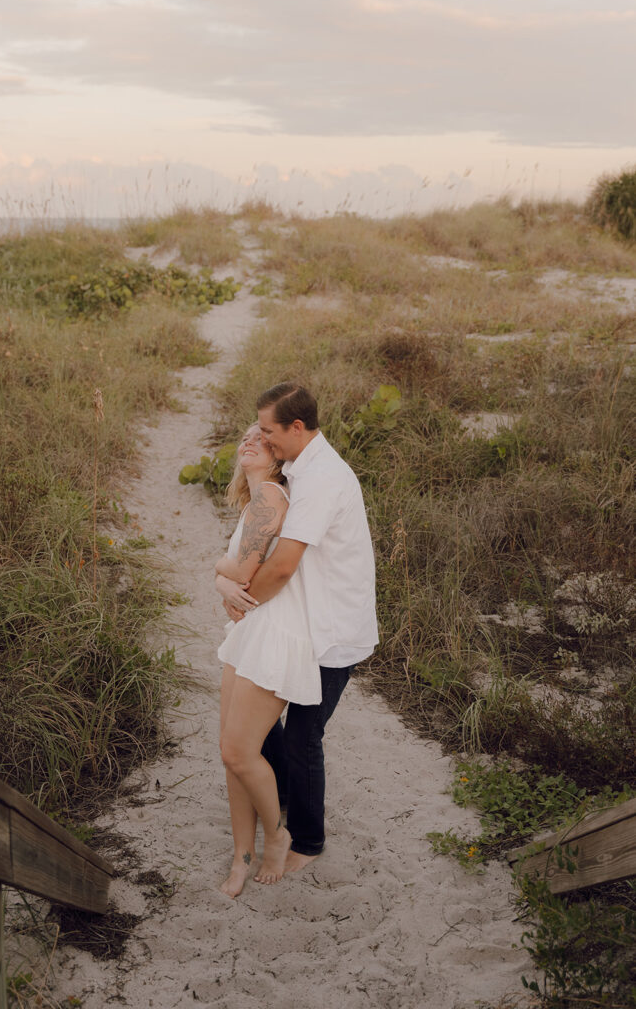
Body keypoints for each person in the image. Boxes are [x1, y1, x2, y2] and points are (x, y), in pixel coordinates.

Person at [222, 383, 378, 873]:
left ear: (296, 426)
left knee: (302, 738)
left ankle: (308, 841)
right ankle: (281, 796)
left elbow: (284, 565)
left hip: (331, 630)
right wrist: (231, 585)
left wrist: (242, 599)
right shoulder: (296, 469)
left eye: (268, 431)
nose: (262, 438)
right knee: (263, 724)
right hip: (297, 619)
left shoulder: (323, 478)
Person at [215, 424, 321, 898]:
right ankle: (242, 856)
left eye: (261, 438)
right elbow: (240, 572)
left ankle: (277, 835)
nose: (249, 442)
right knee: (231, 755)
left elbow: (240, 570)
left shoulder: (272, 496)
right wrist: (226, 580)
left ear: (278, 455)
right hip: (251, 630)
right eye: (245, 437)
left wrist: (218, 575)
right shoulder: (254, 502)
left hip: (276, 633)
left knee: (239, 751)